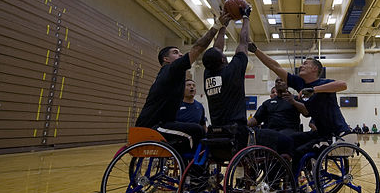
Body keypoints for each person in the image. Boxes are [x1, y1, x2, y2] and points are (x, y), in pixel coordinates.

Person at [202, 9, 292, 157]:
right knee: (286, 141)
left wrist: (223, 26)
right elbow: (244, 42)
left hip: (217, 132)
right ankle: (281, 175)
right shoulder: (233, 71)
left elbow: (217, 48)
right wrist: (245, 17)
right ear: (223, 60)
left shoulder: (208, 75)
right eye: (223, 55)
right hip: (238, 133)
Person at [248, 44, 350, 173]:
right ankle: (278, 176)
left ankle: (294, 185)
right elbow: (275, 66)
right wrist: (255, 51)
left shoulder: (323, 83)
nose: (301, 66)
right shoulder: (300, 83)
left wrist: (314, 90)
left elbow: (343, 85)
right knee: (288, 141)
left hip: (335, 134)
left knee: (298, 152)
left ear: (314, 68)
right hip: (320, 133)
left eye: (305, 64)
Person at [136, 16, 230, 153]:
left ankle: (186, 165)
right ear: (166, 59)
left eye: (180, 52)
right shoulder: (171, 69)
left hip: (158, 124)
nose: (180, 55)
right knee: (196, 131)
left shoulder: (168, 74)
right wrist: (217, 26)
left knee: (193, 129)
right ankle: (195, 171)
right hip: (153, 126)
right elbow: (198, 48)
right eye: (176, 53)